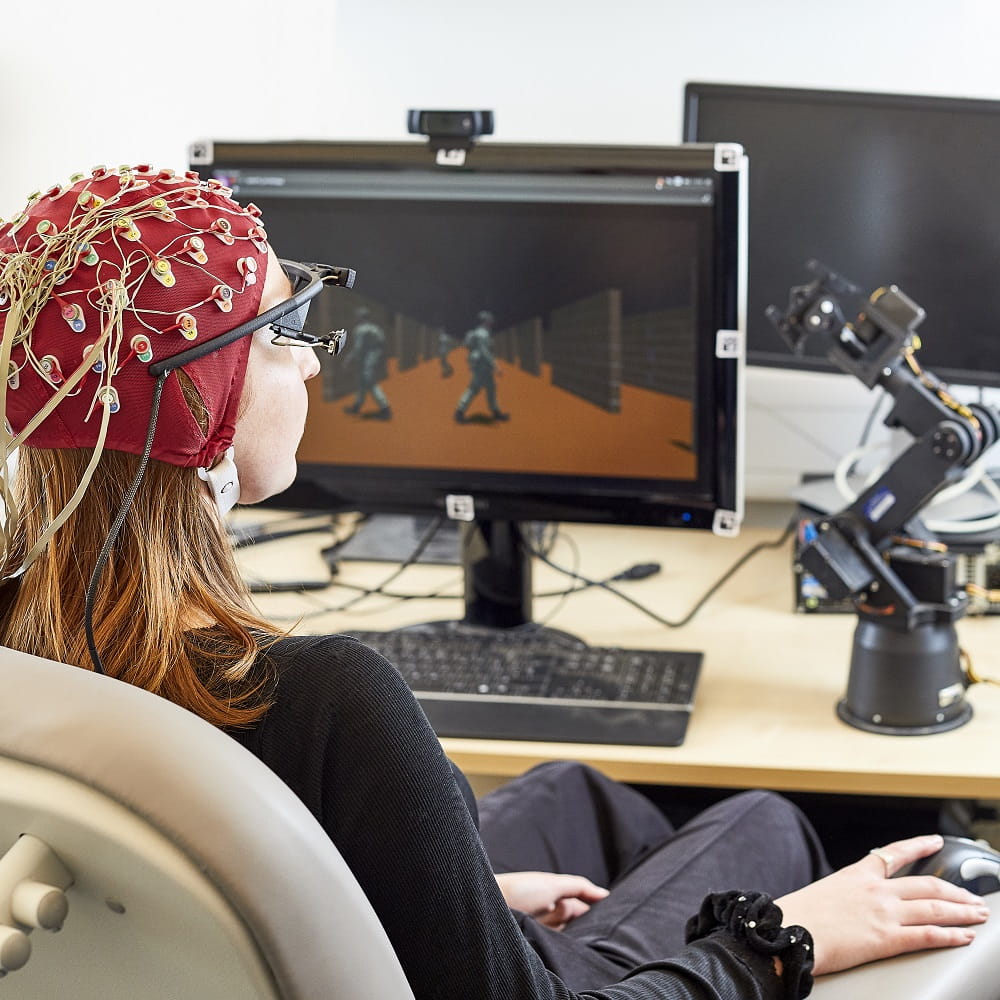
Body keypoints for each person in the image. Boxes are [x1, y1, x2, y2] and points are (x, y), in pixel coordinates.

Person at [0, 163, 989, 1000]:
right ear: (202, 405)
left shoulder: (28, 646)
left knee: (574, 793)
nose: (308, 372)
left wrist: (448, 903)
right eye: (284, 334)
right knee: (763, 819)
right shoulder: (325, 704)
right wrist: (777, 943)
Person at [455, 308, 509, 422]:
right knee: (474, 388)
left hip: (480, 364)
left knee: (491, 388)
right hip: (482, 365)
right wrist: (496, 366)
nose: (491, 322)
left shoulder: (477, 332)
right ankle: (459, 412)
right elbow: (485, 352)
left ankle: (495, 411)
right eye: (490, 320)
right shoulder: (483, 334)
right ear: (486, 321)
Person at [343, 303, 392, 419]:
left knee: (370, 382)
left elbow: (358, 348)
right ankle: (357, 405)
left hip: (367, 359)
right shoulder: (374, 327)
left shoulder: (360, 330)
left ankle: (385, 407)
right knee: (361, 381)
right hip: (373, 357)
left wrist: (348, 360)